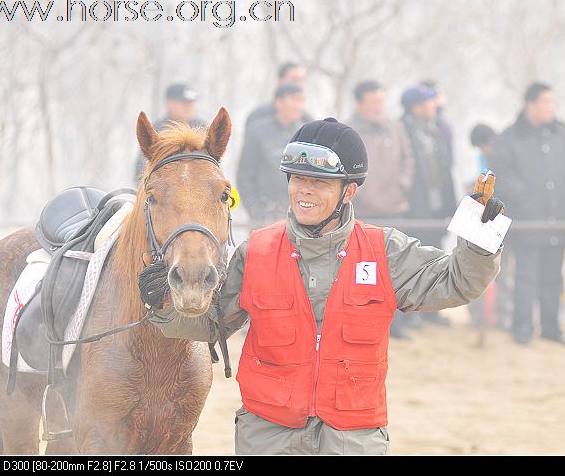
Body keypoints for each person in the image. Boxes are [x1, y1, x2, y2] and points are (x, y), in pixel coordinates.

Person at [151, 117, 504, 454]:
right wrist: (164, 303)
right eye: (297, 179)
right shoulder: (255, 252)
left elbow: (456, 282)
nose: (304, 190)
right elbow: (211, 324)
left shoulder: (385, 252)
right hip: (269, 437)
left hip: (353, 438)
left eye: (319, 182)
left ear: (348, 191)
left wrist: (479, 241)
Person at [489, 82, 565, 345]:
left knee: (554, 276)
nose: (550, 108)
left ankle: (551, 327)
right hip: (527, 219)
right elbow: (503, 174)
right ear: (530, 104)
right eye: (545, 102)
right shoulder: (510, 136)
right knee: (526, 275)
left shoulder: (562, 132)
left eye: (553, 102)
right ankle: (522, 328)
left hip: (559, 216)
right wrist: (525, 197)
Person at [347, 80, 415, 338]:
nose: (378, 107)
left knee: (394, 267)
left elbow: (409, 158)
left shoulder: (395, 127)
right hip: (362, 210)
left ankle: (395, 324)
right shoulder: (350, 130)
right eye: (373, 102)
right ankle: (362, 322)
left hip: (394, 208)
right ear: (360, 103)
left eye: (381, 101)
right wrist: (359, 193)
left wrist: (403, 184)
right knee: (362, 270)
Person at [401, 84, 457, 327]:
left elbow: (446, 169)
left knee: (436, 257)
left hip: (437, 204)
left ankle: (431, 309)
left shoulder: (435, 131)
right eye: (424, 104)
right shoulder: (403, 130)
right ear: (413, 107)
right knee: (414, 259)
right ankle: (412, 312)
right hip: (416, 206)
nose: (430, 108)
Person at [237, 83, 307, 225]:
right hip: (265, 212)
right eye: (294, 100)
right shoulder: (257, 131)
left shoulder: (306, 133)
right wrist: (255, 211)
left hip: (299, 213)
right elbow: (244, 175)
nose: (298, 105)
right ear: (278, 102)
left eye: (301, 100)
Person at [467, 124, 514, 331]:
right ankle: (484, 317)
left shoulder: (501, 155)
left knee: (498, 271)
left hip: (498, 219)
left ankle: (497, 316)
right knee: (489, 271)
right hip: (488, 218)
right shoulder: (486, 158)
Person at [134, 83, 207, 182]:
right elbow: (142, 169)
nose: (189, 106)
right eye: (183, 102)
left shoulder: (203, 130)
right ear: (169, 104)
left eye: (191, 102)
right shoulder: (156, 131)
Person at [245, 62, 313, 128]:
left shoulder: (307, 121)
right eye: (294, 79)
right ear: (279, 80)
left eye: (302, 80)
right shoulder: (258, 117)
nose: (299, 85)